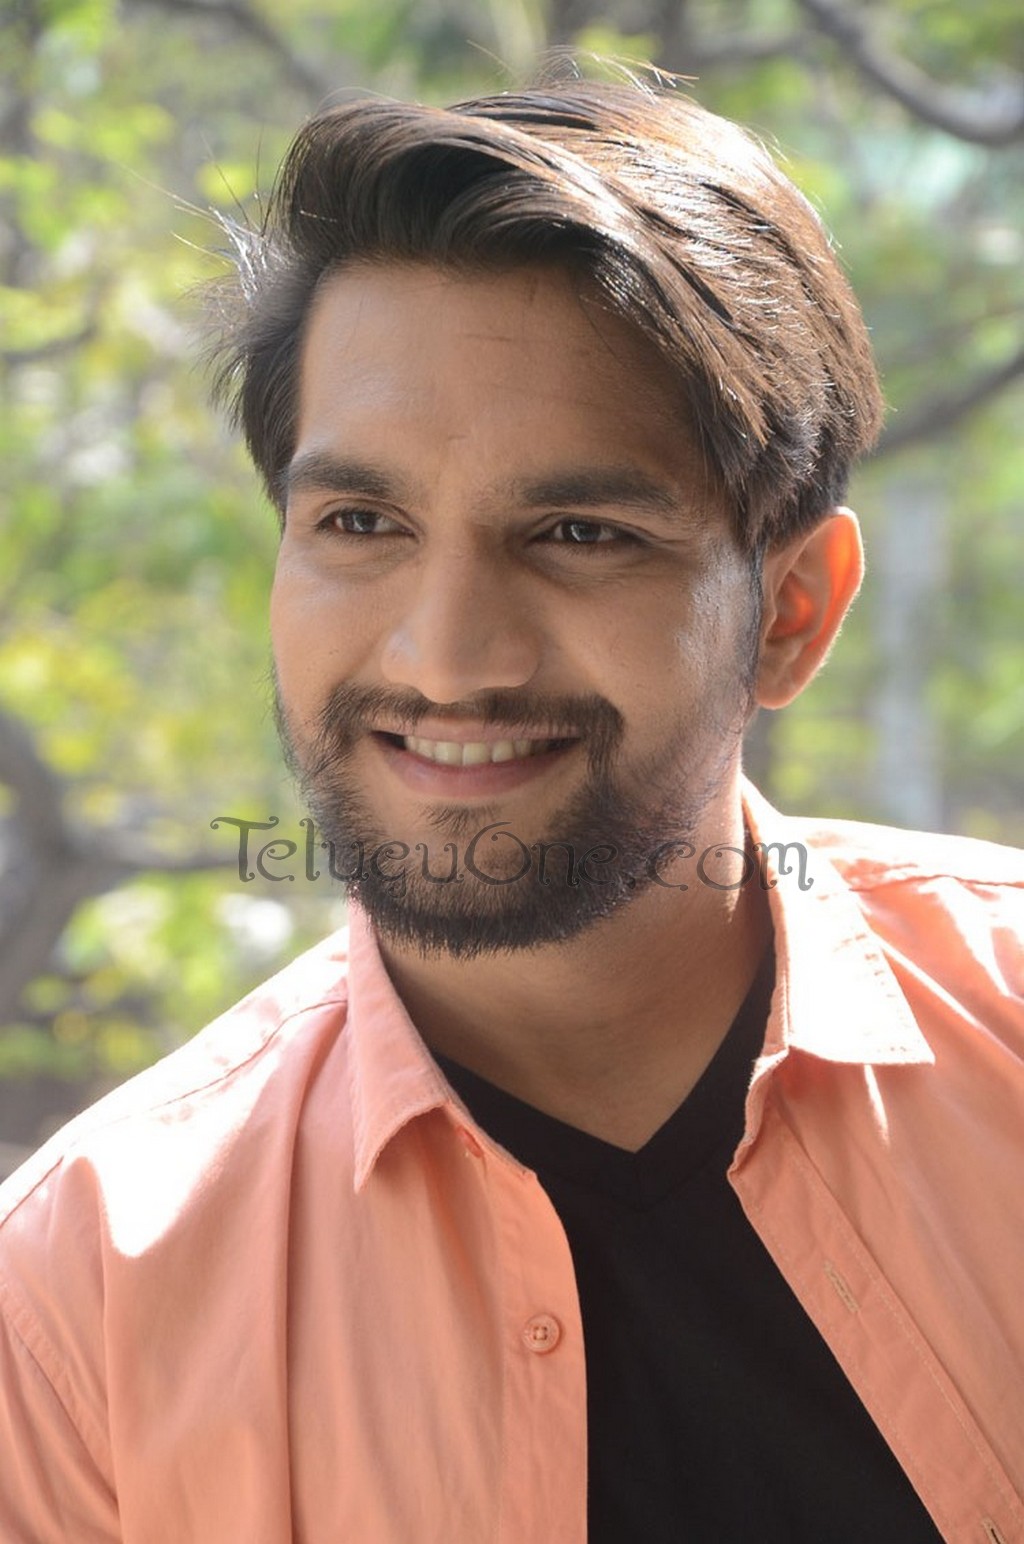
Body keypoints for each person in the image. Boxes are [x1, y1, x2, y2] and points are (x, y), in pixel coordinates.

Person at [0, 73, 1021, 1544]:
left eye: (578, 533)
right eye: (361, 523)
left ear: (792, 611)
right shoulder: (80, 1308)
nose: (446, 660)